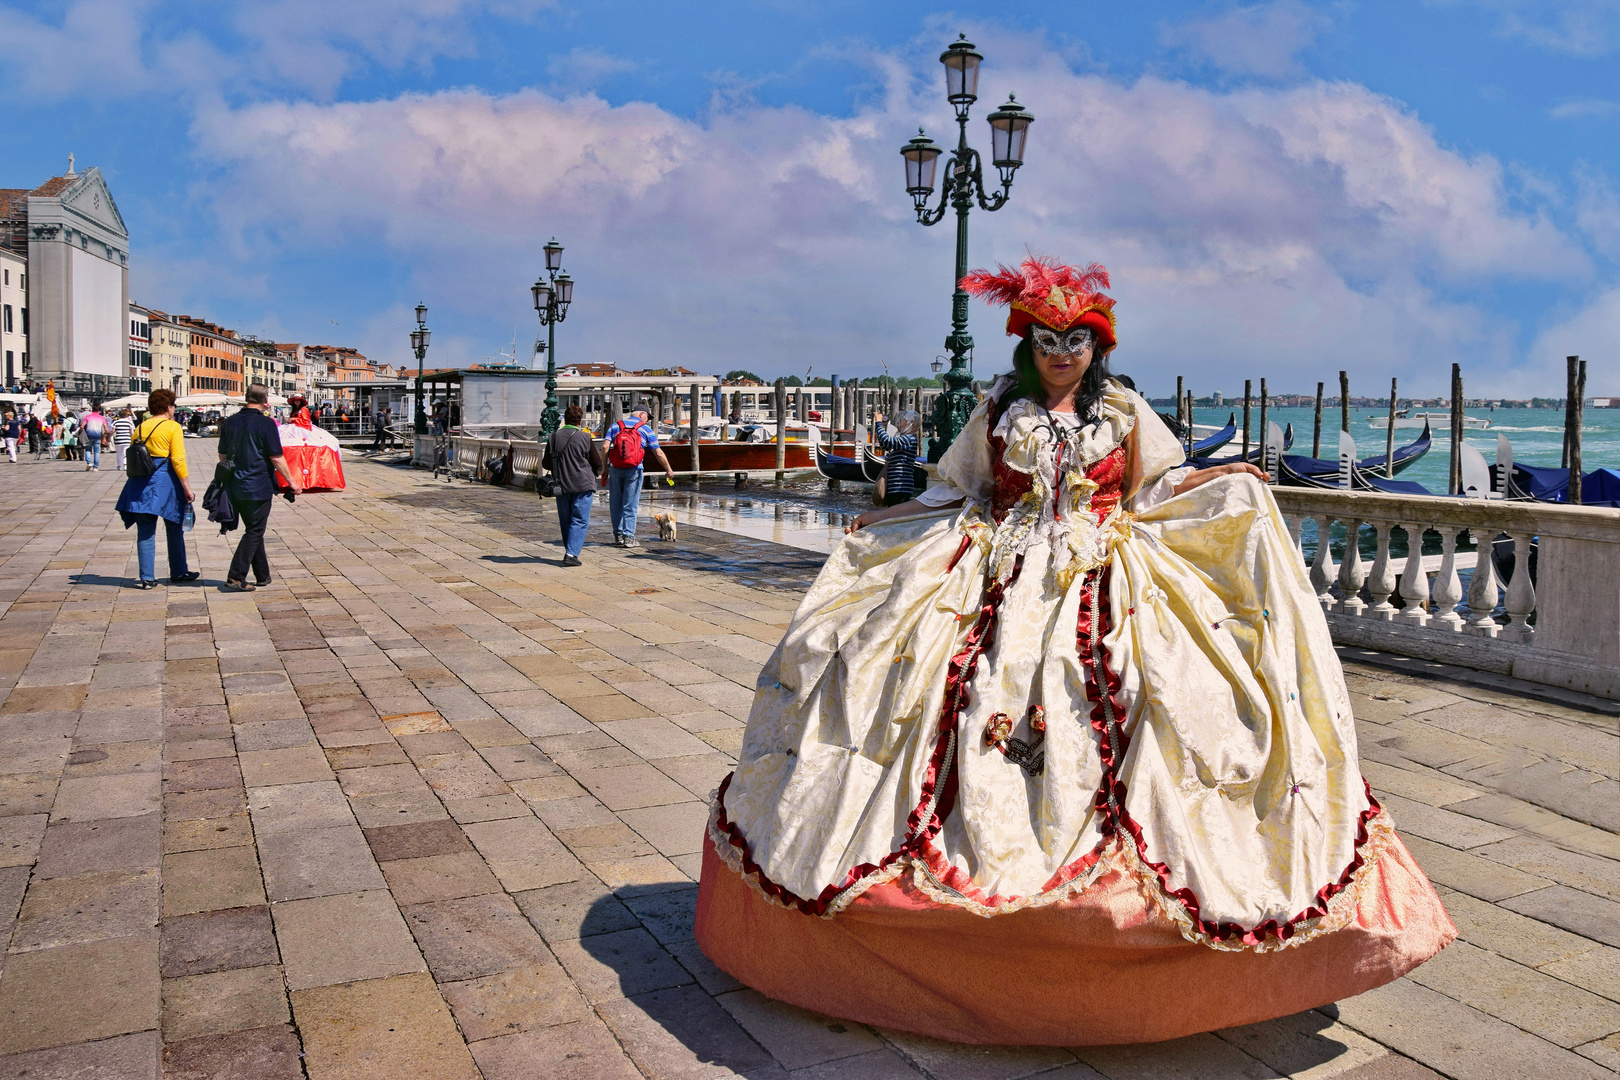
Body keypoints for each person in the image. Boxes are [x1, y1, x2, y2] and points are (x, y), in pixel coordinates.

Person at [694, 257, 1454, 1046]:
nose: (1062, 353)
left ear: (1098, 347)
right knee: (906, 691)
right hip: (997, 570)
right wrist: (886, 524)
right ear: (1027, 344)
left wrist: (1225, 479)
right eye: (1048, 339)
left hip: (1105, 569)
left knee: (1152, 702)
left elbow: (1158, 489)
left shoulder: (1123, 412)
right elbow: (956, 491)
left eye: (1077, 340)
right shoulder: (997, 409)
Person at [218, 383, 302, 592]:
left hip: (235, 483)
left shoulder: (230, 422)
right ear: (266, 403)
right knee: (255, 530)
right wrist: (291, 481)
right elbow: (276, 457)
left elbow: (222, 456)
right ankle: (236, 576)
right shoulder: (266, 424)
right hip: (259, 484)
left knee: (254, 529)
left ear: (247, 398)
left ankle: (263, 575)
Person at [114, 389, 198, 588]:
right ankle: (178, 571)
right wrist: (186, 487)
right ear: (169, 407)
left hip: (141, 482)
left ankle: (147, 577)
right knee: (175, 527)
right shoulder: (172, 427)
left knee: (145, 531)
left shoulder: (141, 427)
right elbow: (177, 459)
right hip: (165, 481)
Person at [600, 408, 674, 549]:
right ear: (642, 414)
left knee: (615, 503)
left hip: (615, 469)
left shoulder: (616, 426)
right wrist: (668, 469)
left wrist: (604, 468)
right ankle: (629, 537)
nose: (647, 420)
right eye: (648, 417)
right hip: (634, 469)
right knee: (630, 504)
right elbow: (658, 452)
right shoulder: (645, 430)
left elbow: (604, 447)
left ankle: (618, 535)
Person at [542, 404, 604, 567]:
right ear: (580, 420)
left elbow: (546, 463)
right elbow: (597, 462)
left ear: (564, 420)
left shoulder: (553, 437)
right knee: (580, 519)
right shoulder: (585, 437)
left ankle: (570, 549)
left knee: (565, 519)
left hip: (561, 485)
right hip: (583, 484)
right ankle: (571, 553)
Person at [871, 409, 920, 507]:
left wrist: (879, 423)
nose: (899, 423)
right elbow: (885, 445)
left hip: (900, 488)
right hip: (894, 487)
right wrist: (883, 426)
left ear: (911, 424)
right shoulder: (904, 439)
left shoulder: (910, 439)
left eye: (903, 421)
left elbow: (887, 441)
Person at [80, 403, 108, 471]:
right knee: (96, 452)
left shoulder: (87, 417)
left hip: (88, 434)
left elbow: (82, 426)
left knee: (88, 449)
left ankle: (89, 462)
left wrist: (81, 432)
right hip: (97, 435)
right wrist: (106, 434)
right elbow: (106, 428)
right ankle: (95, 467)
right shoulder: (101, 417)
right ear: (99, 411)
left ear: (92, 410)